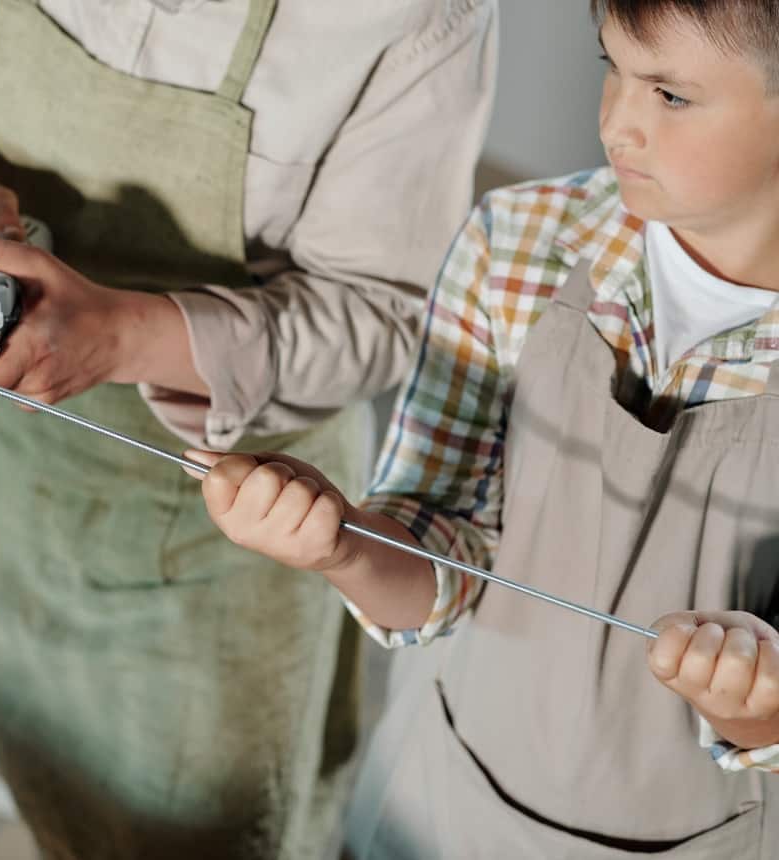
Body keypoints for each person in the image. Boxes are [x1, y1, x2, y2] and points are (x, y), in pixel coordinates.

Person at [0, 2, 495, 857]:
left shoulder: (407, 19)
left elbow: (383, 317)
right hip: (10, 487)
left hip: (230, 529)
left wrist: (120, 334)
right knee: (59, 797)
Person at [192, 0, 779, 855]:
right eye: (611, 65)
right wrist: (342, 545)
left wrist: (757, 711)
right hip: (443, 803)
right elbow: (444, 554)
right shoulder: (521, 242)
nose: (618, 121)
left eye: (671, 95)